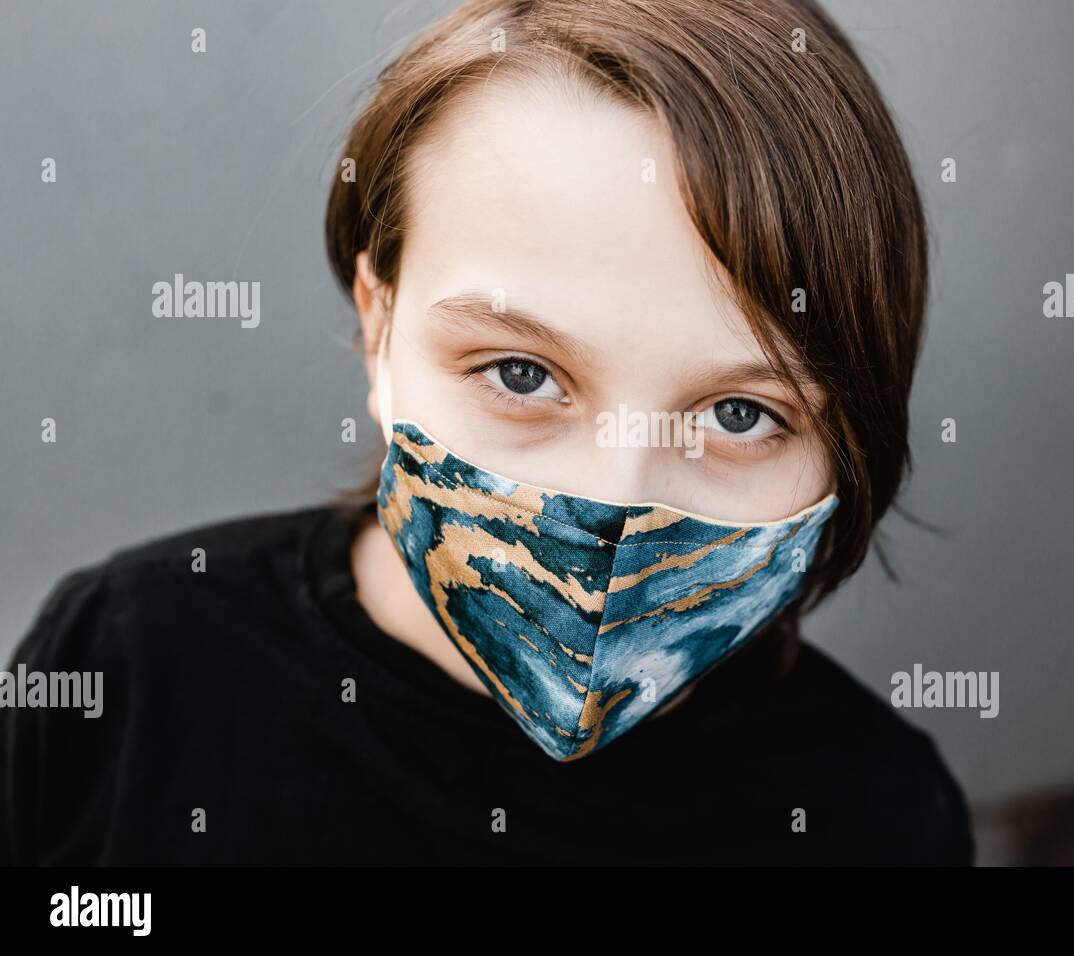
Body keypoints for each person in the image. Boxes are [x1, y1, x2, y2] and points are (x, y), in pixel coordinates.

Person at [1, 0, 973, 865]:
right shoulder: (125, 665)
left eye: (740, 413)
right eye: (521, 373)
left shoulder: (878, 813)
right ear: (379, 330)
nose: (614, 500)